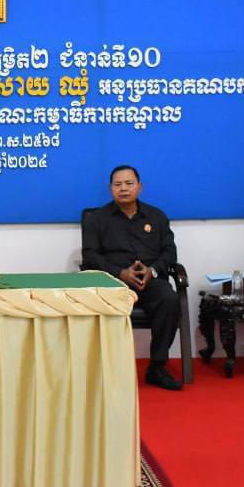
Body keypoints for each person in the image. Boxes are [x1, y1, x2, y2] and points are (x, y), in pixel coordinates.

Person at [81, 165, 183, 391]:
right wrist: (120, 273)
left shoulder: (156, 216)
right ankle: (104, 371)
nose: (124, 189)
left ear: (139, 186)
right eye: (118, 184)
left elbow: (170, 252)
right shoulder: (96, 219)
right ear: (110, 188)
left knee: (169, 299)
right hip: (112, 282)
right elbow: (90, 255)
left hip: (149, 281)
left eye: (129, 183)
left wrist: (152, 271)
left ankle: (157, 367)